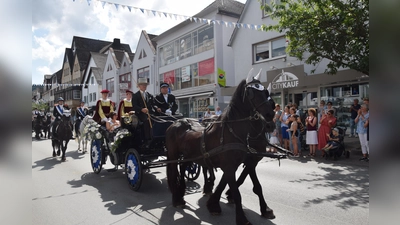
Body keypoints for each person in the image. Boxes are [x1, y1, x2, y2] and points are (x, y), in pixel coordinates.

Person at [132, 78, 157, 145]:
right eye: (142, 85)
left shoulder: (149, 95)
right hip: (140, 114)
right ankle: (147, 138)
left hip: (149, 112)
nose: (144, 86)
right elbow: (134, 106)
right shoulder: (135, 95)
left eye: (145, 85)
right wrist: (141, 109)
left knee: (155, 119)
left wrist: (156, 108)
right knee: (146, 120)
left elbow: (153, 104)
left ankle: (155, 135)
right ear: (139, 86)